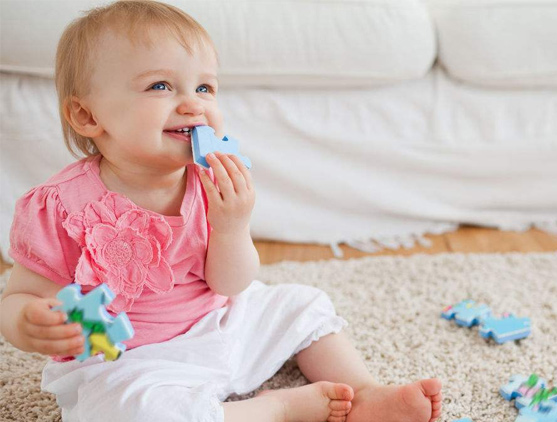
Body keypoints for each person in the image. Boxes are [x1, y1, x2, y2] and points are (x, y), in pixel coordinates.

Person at [0, 2, 442, 421]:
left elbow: (231, 284)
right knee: (134, 412)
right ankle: (276, 410)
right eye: (160, 86)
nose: (194, 104)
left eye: (205, 87)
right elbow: (19, 293)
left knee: (302, 303)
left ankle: (363, 392)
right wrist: (26, 322)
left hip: (221, 324)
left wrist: (233, 227)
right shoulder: (60, 205)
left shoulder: (209, 181)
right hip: (131, 363)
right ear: (86, 115)